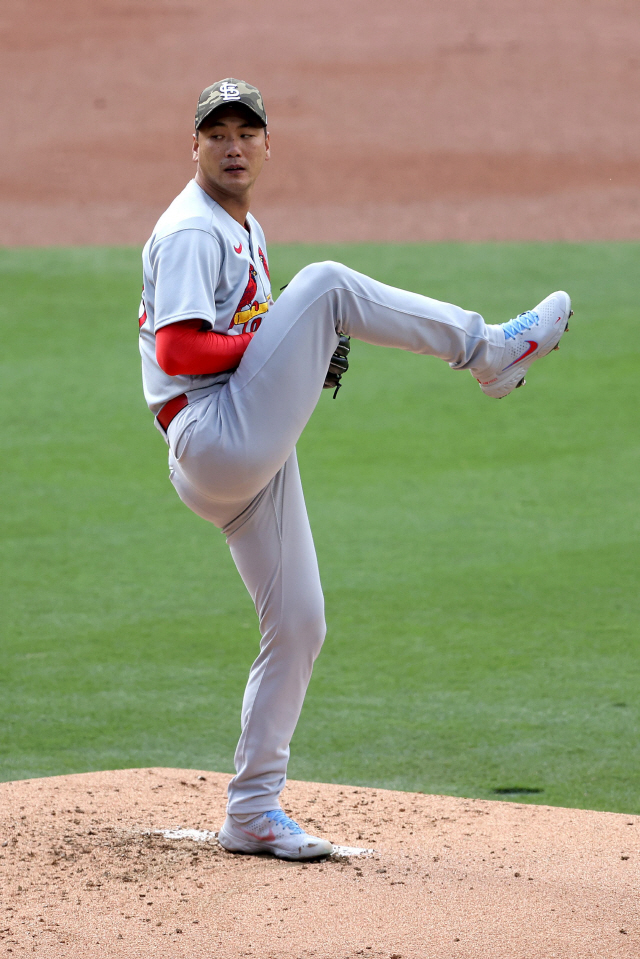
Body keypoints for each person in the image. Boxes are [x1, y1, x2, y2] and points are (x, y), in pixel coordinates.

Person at [138, 78, 571, 861]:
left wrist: (289, 357)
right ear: (192, 145)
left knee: (299, 621)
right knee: (329, 285)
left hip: (239, 448)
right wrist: (279, 344)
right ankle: (489, 349)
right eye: (217, 134)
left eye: (246, 132)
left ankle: (253, 809)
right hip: (212, 436)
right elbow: (178, 348)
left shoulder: (241, 225)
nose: (233, 146)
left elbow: (240, 344)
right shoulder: (193, 230)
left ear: (268, 144)